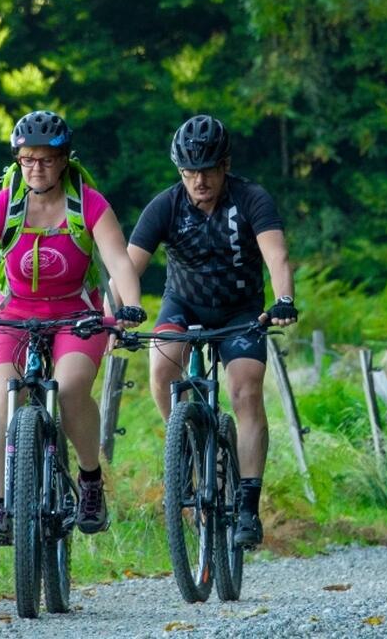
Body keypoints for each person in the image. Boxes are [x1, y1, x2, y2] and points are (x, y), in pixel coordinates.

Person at [0, 110, 147, 546]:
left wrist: (131, 308)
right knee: (2, 398)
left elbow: (118, 261)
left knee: (67, 391)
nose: (36, 168)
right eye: (27, 160)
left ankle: (89, 482)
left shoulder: (90, 205)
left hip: (76, 316)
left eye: (45, 160)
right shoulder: (6, 205)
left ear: (64, 159)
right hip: (14, 316)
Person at [126, 114, 297, 548]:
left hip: (240, 311)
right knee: (162, 365)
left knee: (245, 390)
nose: (198, 180)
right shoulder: (165, 205)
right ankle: (180, 444)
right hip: (183, 304)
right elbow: (127, 266)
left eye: (206, 170)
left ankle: (247, 506)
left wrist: (284, 300)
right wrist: (120, 312)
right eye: (188, 172)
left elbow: (276, 255)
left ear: (225, 165)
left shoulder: (252, 198)